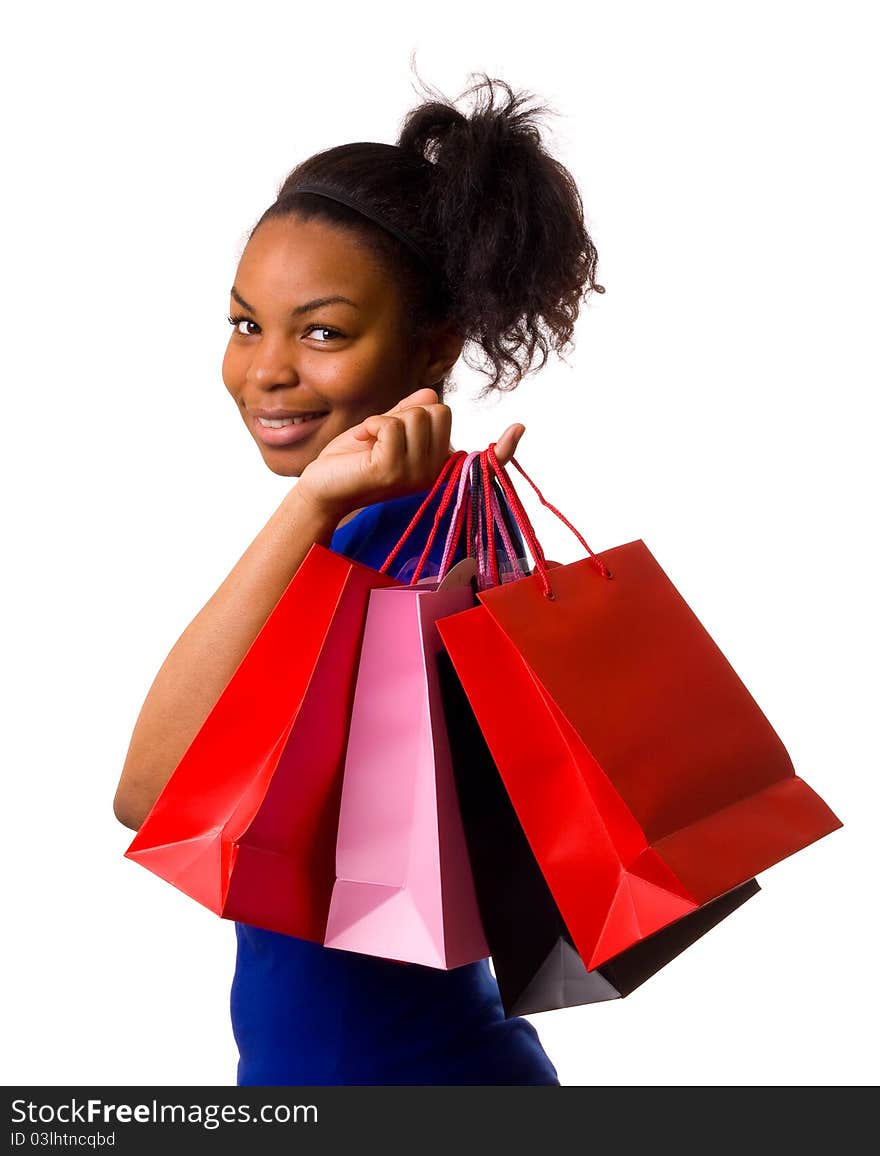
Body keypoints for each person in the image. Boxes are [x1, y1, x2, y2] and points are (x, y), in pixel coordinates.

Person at [113, 72, 604, 1086]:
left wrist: (311, 505)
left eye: (322, 331)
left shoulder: (388, 551)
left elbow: (157, 798)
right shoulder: (409, 534)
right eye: (247, 323)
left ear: (431, 347)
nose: (266, 369)